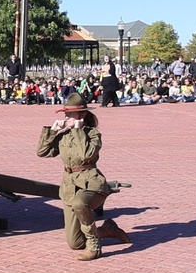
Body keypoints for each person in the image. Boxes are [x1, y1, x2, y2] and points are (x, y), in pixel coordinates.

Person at [36, 93, 131, 261]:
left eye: (69, 115)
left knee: (80, 202)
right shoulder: (64, 136)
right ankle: (108, 229)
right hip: (69, 186)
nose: (66, 118)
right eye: (65, 114)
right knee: (75, 243)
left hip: (91, 183)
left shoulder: (92, 134)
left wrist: (79, 131)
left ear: (81, 114)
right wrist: (52, 132)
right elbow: (42, 152)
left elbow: (86, 154)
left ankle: (94, 246)